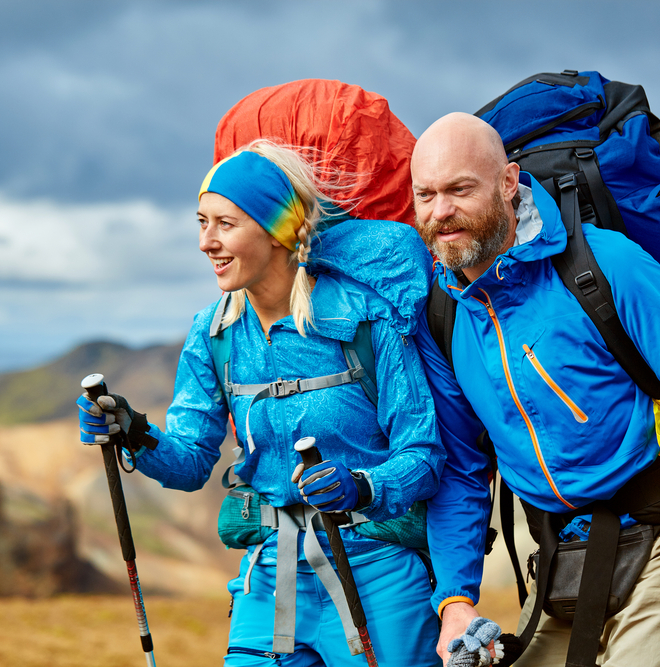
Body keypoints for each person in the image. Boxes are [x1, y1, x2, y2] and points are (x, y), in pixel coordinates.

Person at [409, 113, 660, 666]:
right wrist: (456, 601)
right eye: (426, 194)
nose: (441, 212)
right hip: (562, 559)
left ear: (509, 183)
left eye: (460, 189)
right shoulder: (445, 316)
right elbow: (463, 468)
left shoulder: (606, 265)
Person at [78, 139, 445, 666]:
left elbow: (425, 455)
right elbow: (189, 463)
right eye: (201, 223)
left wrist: (363, 485)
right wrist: (132, 431)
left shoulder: (366, 321)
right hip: (269, 572)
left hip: (378, 570)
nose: (206, 242)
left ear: (277, 231)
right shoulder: (215, 333)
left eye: (224, 224)